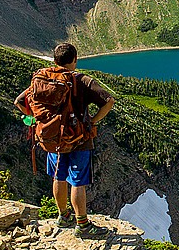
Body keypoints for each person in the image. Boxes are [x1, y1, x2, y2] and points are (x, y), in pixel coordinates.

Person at [15, 42, 115, 238]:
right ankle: (83, 225)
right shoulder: (81, 80)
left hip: (53, 139)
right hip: (78, 138)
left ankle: (63, 215)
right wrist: (92, 121)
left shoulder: (43, 79)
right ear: (75, 60)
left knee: (58, 176)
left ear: (55, 60)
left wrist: (40, 118)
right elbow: (109, 101)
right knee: (78, 182)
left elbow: (19, 102)